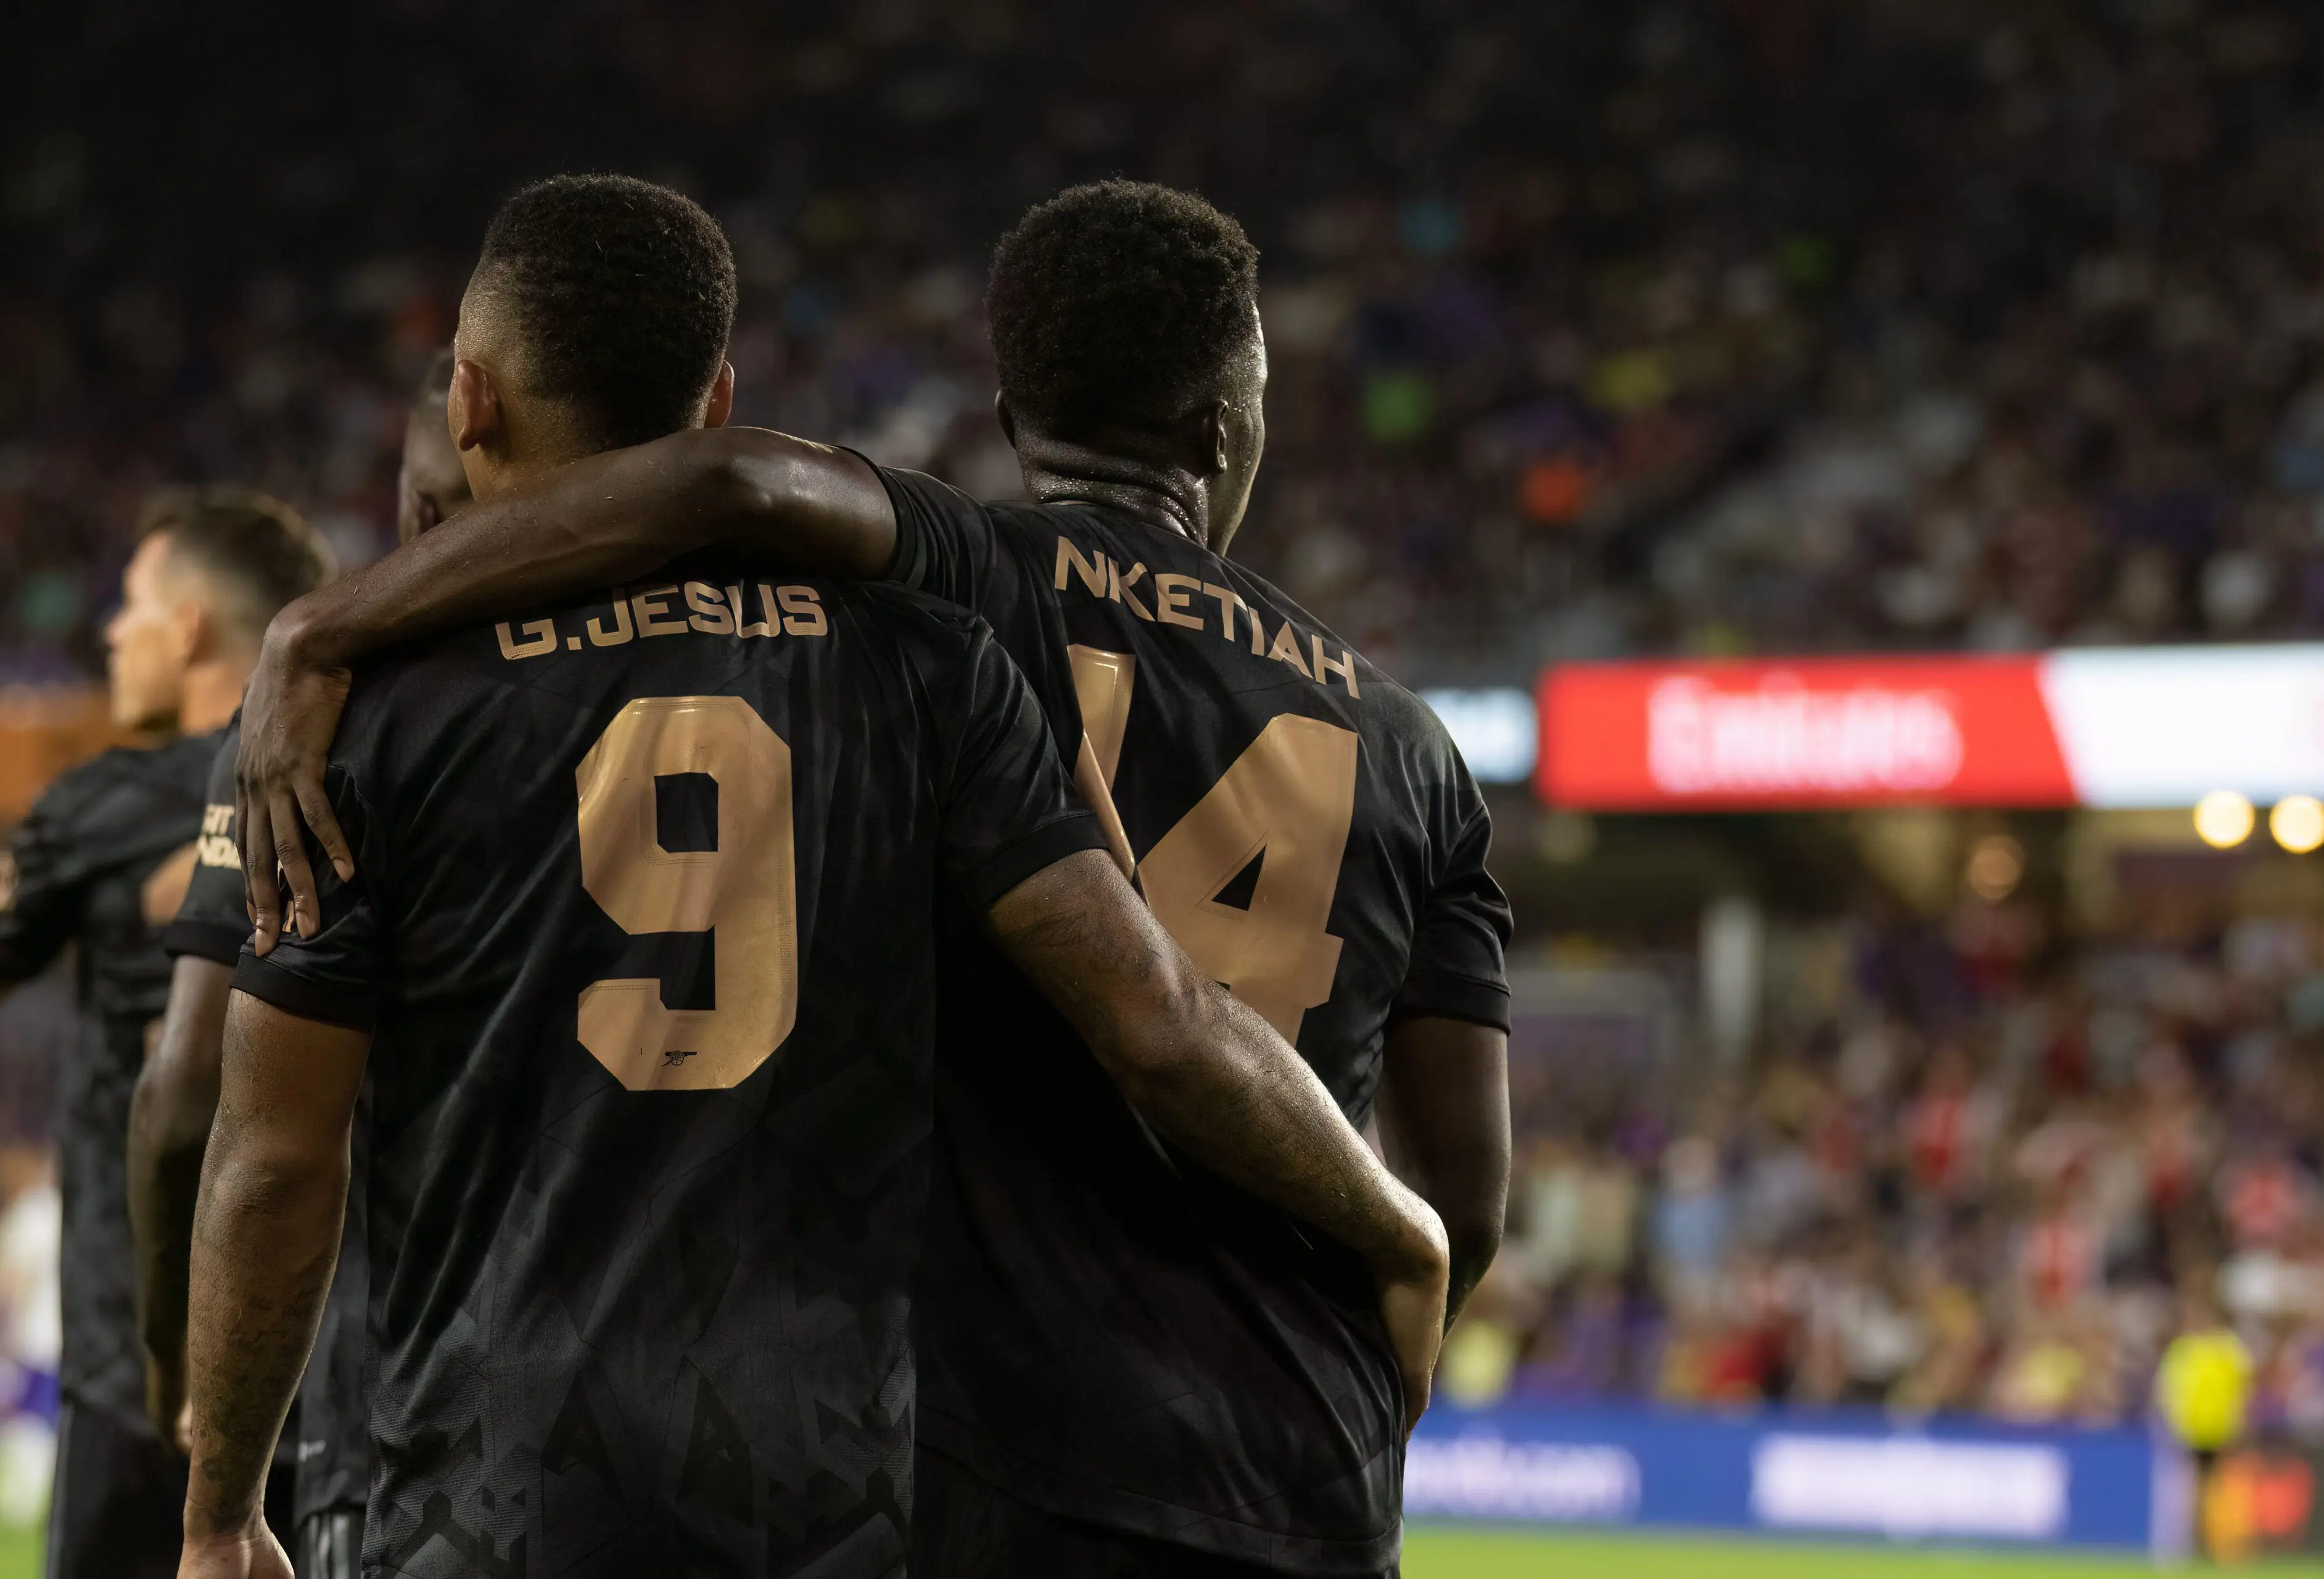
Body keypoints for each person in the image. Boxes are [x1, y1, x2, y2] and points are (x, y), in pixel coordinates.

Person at [176, 174, 1448, 1579]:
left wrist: (222, 1512)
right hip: (834, 1495)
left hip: (488, 1487)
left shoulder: (368, 719)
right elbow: (1160, 1013)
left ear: (468, 399)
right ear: (719, 396)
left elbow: (272, 1154)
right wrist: (1396, 1223)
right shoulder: (924, 663)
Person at [130, 350, 471, 1579]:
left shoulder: (331, 710)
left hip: (411, 1410)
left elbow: (202, 1102)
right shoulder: (822, 653)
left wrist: (185, 1399)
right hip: (776, 1422)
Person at [0, 489, 333, 1579]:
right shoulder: (361, 772)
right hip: (319, 1364)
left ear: (187, 626)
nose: (111, 632)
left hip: (129, 1371)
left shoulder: (96, 805)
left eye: (132, 604)